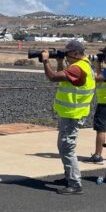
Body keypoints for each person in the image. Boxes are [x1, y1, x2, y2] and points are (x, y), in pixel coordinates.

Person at [40, 40, 95, 195]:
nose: (66, 56)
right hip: (72, 113)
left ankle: (75, 184)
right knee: (65, 147)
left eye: (68, 53)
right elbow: (62, 77)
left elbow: (52, 77)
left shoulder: (78, 68)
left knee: (67, 148)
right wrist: (58, 62)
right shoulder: (84, 65)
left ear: (77, 53)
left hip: (72, 114)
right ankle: (69, 177)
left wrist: (45, 60)